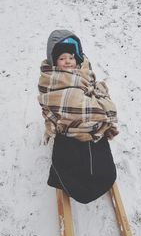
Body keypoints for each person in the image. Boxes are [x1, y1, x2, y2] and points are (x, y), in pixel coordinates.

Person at [38, 29, 119, 204]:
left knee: (97, 158)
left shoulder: (85, 74)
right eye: (62, 58)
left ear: (78, 59)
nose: (67, 61)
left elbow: (97, 91)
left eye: (71, 57)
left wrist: (95, 99)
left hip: (90, 126)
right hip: (69, 128)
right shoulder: (51, 79)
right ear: (54, 61)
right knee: (72, 160)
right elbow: (51, 101)